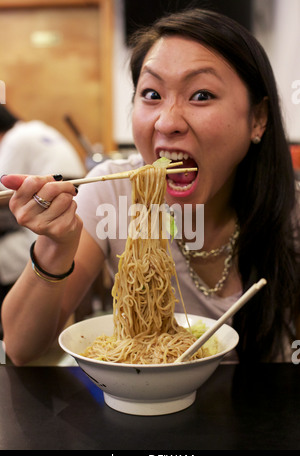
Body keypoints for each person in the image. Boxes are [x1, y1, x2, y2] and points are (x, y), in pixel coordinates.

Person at [1, 8, 299, 365]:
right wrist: (55, 245)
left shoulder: (291, 212)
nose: (167, 121)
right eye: (152, 94)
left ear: (258, 118)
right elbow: (21, 349)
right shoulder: (112, 192)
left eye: (201, 95)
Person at [0, 106, 85, 309]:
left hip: (56, 217)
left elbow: (4, 187)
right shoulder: (35, 129)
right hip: (74, 205)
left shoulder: (14, 139)